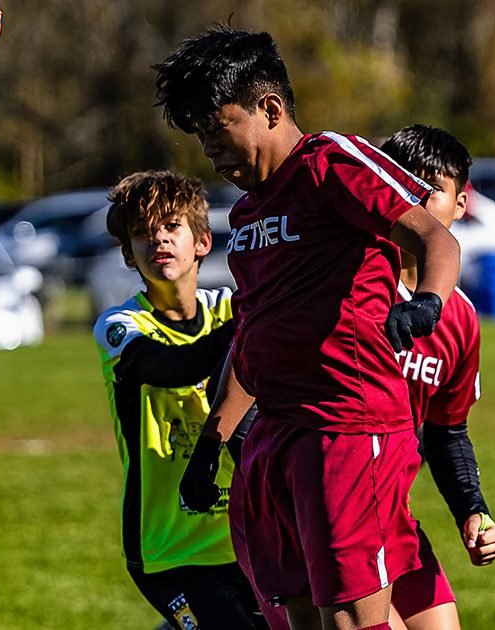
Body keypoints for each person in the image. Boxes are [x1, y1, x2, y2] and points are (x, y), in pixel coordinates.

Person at [156, 26, 463, 630]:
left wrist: (426, 302)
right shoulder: (245, 215)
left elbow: (434, 235)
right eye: (199, 137)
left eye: (217, 129)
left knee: (352, 618)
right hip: (273, 436)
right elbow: (252, 338)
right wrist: (213, 441)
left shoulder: (330, 162)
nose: (209, 150)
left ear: (270, 109)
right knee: (294, 619)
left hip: (347, 426)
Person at [92, 170, 265, 629]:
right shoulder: (120, 325)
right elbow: (171, 367)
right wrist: (253, 322)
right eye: (142, 234)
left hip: (249, 536)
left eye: (171, 227)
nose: (159, 241)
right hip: (169, 549)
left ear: (203, 242)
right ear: (129, 256)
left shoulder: (228, 307)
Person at [379, 125, 495, 630]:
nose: (414, 200)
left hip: (393, 520)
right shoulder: (347, 289)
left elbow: (446, 430)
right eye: (401, 183)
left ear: (461, 204)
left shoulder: (460, 318)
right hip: (321, 518)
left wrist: (472, 510)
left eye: (430, 188)